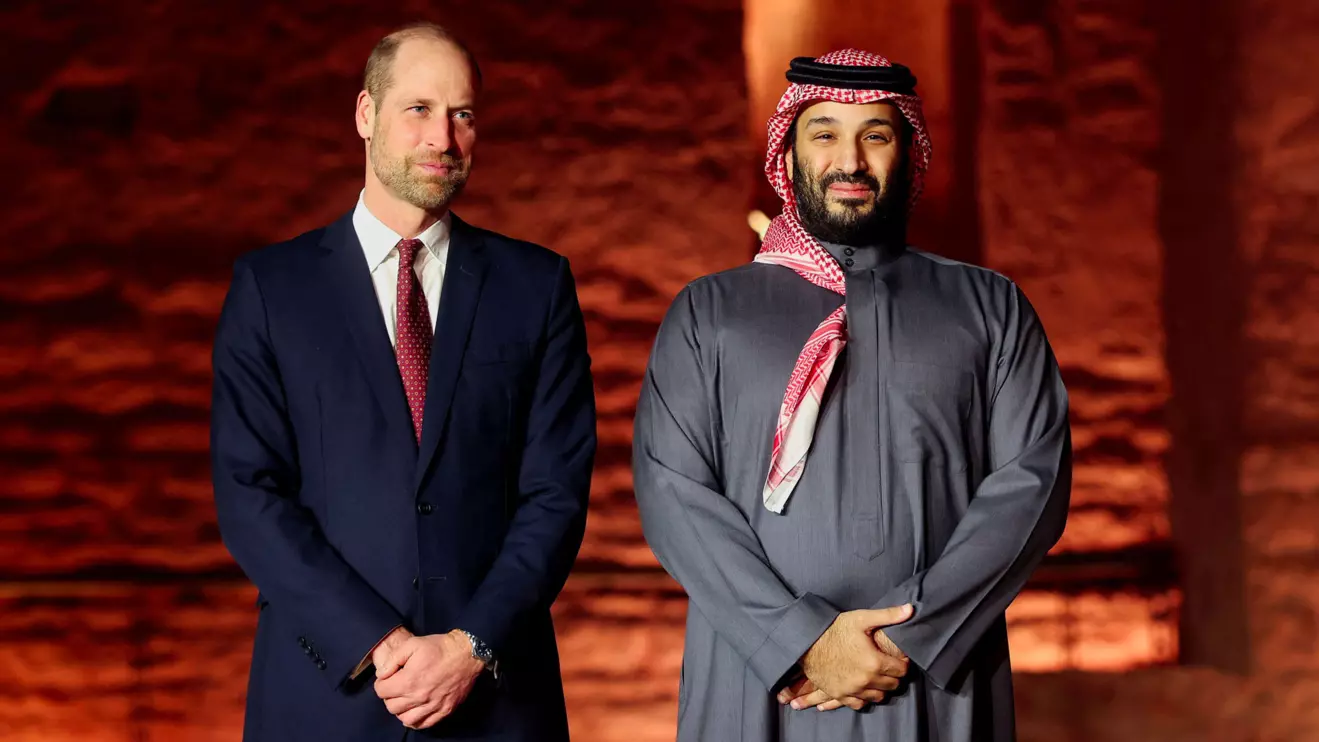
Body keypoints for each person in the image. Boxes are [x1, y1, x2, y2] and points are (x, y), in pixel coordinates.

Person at [633, 48, 1071, 741]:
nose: (850, 161)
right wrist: (800, 642)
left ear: (908, 153)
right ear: (788, 152)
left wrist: (911, 638)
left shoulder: (990, 307)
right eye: (825, 133)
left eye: (875, 135)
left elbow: (1032, 486)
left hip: (933, 676)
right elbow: (672, 493)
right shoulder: (709, 312)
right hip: (762, 681)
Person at [210, 22, 595, 741]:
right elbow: (249, 495)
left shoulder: (536, 287)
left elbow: (556, 494)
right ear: (365, 115)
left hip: (499, 701)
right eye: (417, 108)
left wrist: (468, 647)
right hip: (326, 697)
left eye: (463, 114)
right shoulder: (271, 289)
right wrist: (381, 647)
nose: (442, 139)